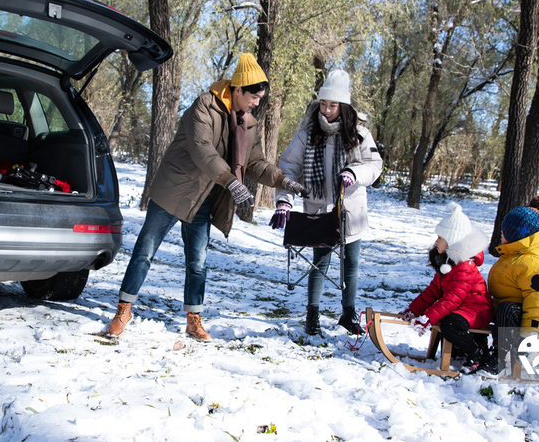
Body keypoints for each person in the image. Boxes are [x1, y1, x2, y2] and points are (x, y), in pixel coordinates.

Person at [107, 53, 307, 341]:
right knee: (145, 251)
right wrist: (231, 182)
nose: (256, 103)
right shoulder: (204, 105)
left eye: (260, 99)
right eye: (254, 97)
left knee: (197, 260)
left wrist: (283, 180)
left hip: (204, 196)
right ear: (238, 90)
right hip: (173, 189)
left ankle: (193, 319)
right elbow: (203, 150)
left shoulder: (248, 124)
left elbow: (255, 163)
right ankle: (123, 310)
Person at [270, 70, 383, 335]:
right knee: (319, 262)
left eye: (333, 105)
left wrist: (354, 173)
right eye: (323, 103)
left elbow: (374, 165)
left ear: (343, 107)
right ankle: (313, 314)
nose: (327, 110)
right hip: (318, 210)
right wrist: (284, 201)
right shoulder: (306, 133)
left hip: (350, 211)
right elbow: (287, 168)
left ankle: (348, 313)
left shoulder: (360, 134)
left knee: (351, 264)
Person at [400, 202, 493, 371]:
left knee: (450, 324)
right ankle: (460, 349)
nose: (436, 241)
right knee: (447, 319)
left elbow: (452, 298)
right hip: (463, 309)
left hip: (477, 309)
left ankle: (477, 352)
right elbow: (433, 291)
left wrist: (428, 317)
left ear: (452, 241)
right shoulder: (448, 264)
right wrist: (414, 309)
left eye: (440, 238)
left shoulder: (465, 266)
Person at [478, 196, 539, 377]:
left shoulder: (532, 264)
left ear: (517, 235)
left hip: (526, 316)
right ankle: (473, 350)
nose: (501, 234)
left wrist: (529, 333)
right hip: (507, 310)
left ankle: (498, 359)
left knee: (507, 308)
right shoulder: (515, 255)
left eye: (504, 231)